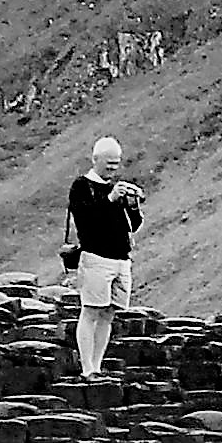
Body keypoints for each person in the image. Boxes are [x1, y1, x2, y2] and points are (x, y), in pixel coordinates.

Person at [61, 137, 143, 377]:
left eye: (116, 163)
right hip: (96, 257)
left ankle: (97, 365)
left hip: (121, 259)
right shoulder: (81, 186)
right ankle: (87, 368)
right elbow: (87, 220)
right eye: (108, 163)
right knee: (91, 310)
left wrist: (133, 204)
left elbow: (133, 225)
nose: (113, 168)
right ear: (95, 160)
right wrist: (110, 200)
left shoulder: (115, 187)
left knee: (109, 313)